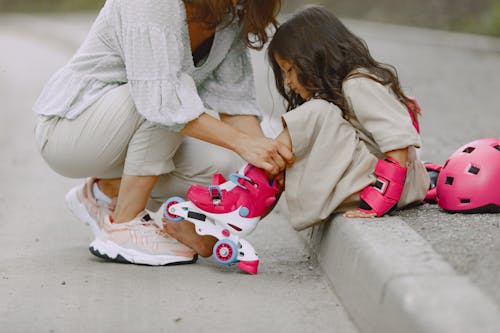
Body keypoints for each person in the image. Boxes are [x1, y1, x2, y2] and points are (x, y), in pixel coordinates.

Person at [33, 0, 293, 265]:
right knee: (175, 89)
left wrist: (266, 162)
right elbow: (163, 100)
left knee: (228, 166)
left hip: (133, 127)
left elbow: (235, 105)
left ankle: (106, 193)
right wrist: (242, 143)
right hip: (70, 128)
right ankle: (124, 225)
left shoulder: (231, 13)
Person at [266, 6, 430, 230]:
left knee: (318, 113)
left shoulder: (358, 83)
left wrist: (382, 199)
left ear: (315, 56)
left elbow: (397, 141)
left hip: (395, 186)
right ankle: (255, 191)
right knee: (314, 120)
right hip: (369, 175)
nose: (287, 82)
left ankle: (252, 187)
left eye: (290, 70)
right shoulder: (337, 90)